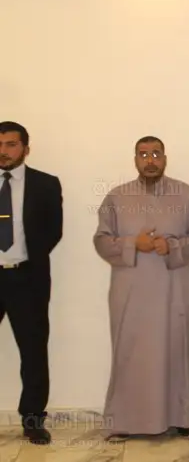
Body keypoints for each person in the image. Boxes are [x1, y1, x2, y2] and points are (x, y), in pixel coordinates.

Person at [93, 136, 189, 442]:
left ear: (165, 158)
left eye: (156, 154)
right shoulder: (117, 197)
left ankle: (179, 419)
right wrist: (134, 243)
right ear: (135, 159)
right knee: (130, 354)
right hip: (130, 293)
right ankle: (123, 422)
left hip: (174, 291)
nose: (150, 160)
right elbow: (102, 240)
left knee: (175, 350)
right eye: (143, 154)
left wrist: (172, 246)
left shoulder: (185, 194)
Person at [0, 121, 62, 445]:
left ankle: (33, 419)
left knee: (34, 352)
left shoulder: (46, 184)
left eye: (11, 144)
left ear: (26, 148)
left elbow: (53, 231)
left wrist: (26, 258)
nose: (4, 151)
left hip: (27, 279)